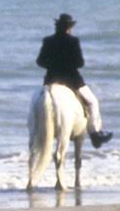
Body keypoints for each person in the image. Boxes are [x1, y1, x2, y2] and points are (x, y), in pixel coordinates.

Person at [35, 13, 113, 148]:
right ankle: (95, 134)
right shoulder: (73, 41)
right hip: (72, 81)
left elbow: (40, 61)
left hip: (51, 81)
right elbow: (80, 63)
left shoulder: (48, 41)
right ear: (69, 28)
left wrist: (53, 65)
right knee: (92, 102)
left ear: (57, 27)